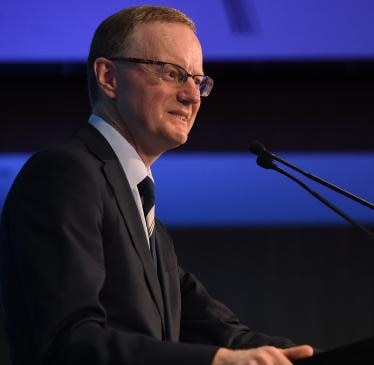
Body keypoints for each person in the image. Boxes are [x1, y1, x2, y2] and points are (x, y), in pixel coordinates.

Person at [0, 5, 313, 365]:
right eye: (172, 73)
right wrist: (218, 362)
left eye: (198, 81)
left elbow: (221, 331)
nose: (192, 97)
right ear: (109, 78)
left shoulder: (150, 227)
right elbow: (69, 341)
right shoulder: (64, 175)